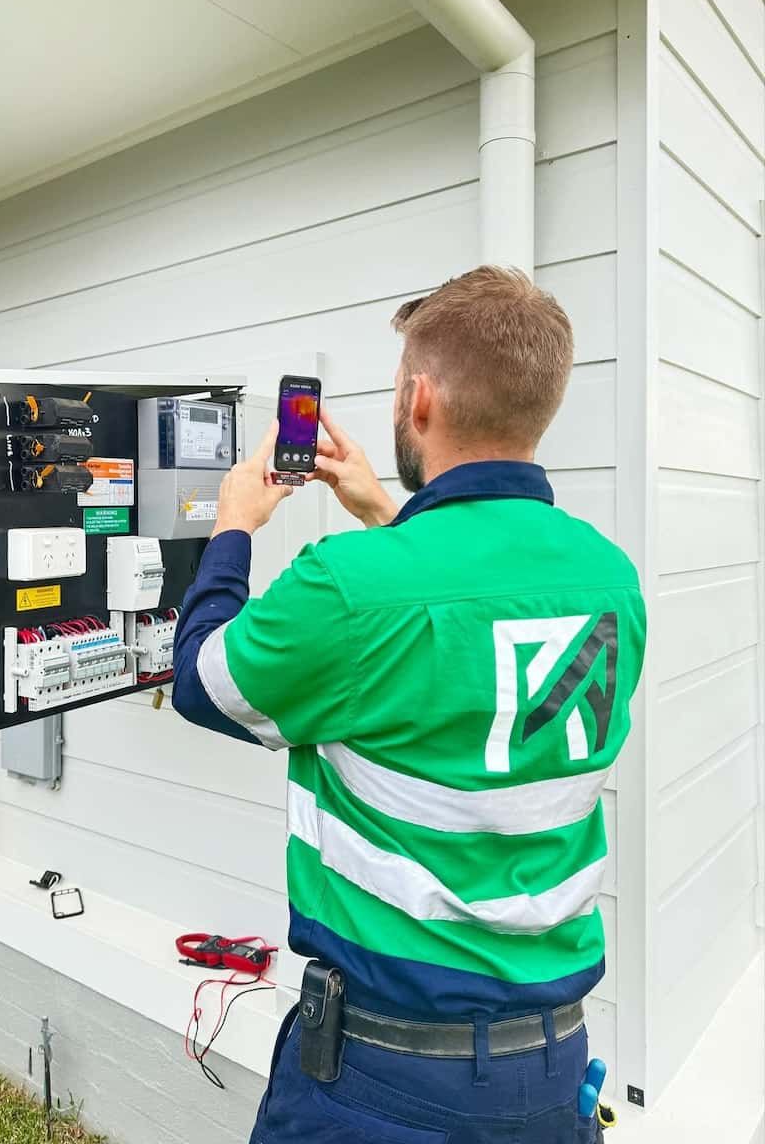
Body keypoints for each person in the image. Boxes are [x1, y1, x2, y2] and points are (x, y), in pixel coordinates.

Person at [171, 265, 645, 1144]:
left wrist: (232, 525)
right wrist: (386, 512)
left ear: (418, 398)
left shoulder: (350, 589)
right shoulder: (610, 578)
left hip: (385, 1084)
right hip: (552, 1071)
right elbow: (457, 648)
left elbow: (202, 683)